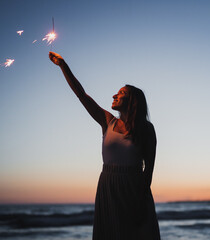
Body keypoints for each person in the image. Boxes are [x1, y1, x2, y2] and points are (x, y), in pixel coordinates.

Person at [49, 52, 161, 240]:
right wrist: (63, 65)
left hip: (134, 188)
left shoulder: (147, 129)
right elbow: (81, 94)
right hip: (108, 187)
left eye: (121, 93)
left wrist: (140, 203)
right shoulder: (107, 121)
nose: (114, 95)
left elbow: (148, 171)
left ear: (132, 101)